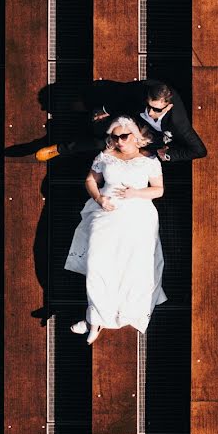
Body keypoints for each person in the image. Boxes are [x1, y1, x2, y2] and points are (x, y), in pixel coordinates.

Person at [64, 116, 168, 343]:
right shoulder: (105, 157)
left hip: (138, 217)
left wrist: (136, 193)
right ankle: (96, 317)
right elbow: (90, 180)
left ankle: (109, 317)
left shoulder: (149, 160)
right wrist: (100, 198)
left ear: (135, 136)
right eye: (115, 137)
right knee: (97, 263)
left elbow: (158, 190)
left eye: (124, 136)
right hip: (106, 214)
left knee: (131, 268)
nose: (119, 141)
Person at [35, 79, 207, 163]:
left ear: (168, 107)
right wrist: (106, 110)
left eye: (156, 109)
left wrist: (169, 154)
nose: (150, 111)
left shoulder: (179, 124)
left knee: (106, 143)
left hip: (151, 136)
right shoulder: (141, 91)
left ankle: (60, 149)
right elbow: (122, 93)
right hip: (130, 115)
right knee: (99, 107)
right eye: (149, 106)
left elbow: (199, 150)